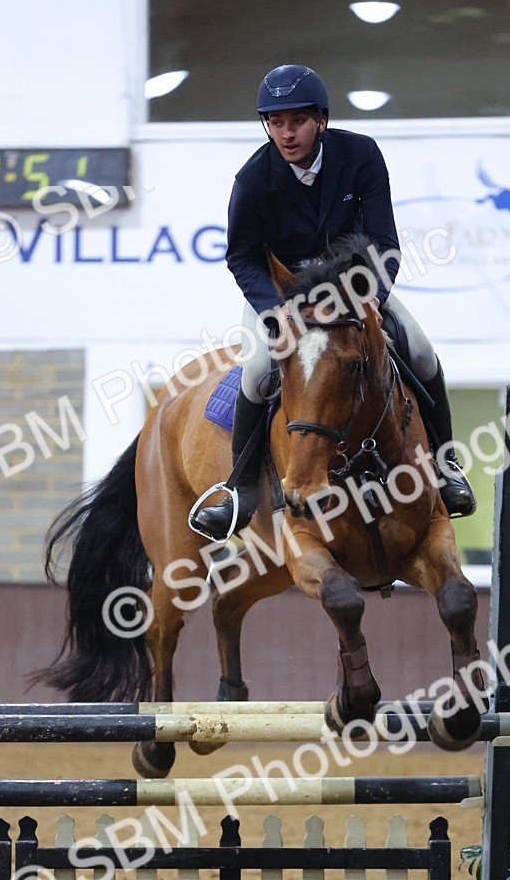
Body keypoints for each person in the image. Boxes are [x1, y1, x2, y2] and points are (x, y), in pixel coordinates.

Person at [193, 63, 476, 542]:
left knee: (422, 350)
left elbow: (384, 244)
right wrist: (273, 307)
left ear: (321, 120)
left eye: (297, 121)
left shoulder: (361, 155)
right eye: (275, 123)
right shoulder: (253, 179)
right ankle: (240, 490)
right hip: (284, 293)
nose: (286, 133)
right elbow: (241, 258)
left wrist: (370, 300)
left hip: (353, 290)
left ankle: (445, 465)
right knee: (260, 366)